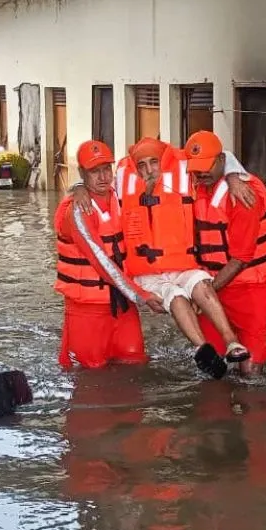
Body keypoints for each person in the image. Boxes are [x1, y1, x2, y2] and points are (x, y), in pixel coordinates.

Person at [118, 137, 251, 379]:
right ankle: (202, 349)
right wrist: (78, 187)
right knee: (175, 296)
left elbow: (221, 157)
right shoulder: (121, 177)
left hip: (182, 264)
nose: (149, 170)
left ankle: (232, 342)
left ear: (163, 161)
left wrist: (233, 176)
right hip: (146, 272)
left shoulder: (183, 169)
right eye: (142, 165)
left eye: (154, 162)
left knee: (201, 283)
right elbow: (93, 180)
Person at [54, 140, 165, 370]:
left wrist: (234, 173)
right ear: (82, 173)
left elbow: (173, 160)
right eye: (95, 171)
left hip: (123, 303)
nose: (103, 177)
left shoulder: (120, 196)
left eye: (106, 169)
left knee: (135, 362)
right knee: (90, 374)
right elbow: (101, 261)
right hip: (88, 308)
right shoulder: (77, 210)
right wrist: (140, 295)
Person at [185, 131, 266, 376]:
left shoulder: (244, 196)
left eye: (206, 167)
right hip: (211, 286)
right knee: (212, 366)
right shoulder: (196, 184)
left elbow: (241, 259)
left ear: (221, 160)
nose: (201, 174)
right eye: (196, 169)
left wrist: (205, 294)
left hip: (250, 290)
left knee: (250, 370)